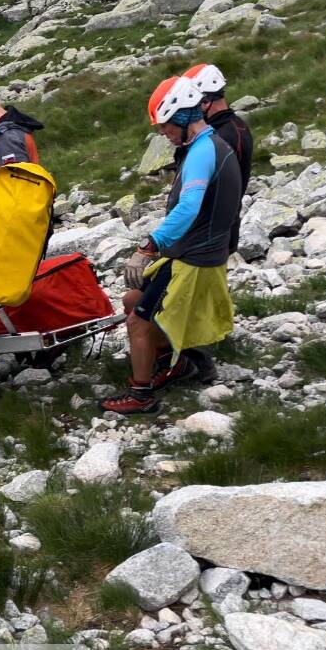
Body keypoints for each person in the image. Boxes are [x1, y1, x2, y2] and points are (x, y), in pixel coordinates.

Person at [101, 77, 241, 415]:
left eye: (165, 125)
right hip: (197, 256)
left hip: (192, 262)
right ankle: (177, 361)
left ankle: (141, 394)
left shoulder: (202, 152)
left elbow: (189, 206)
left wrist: (150, 246)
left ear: (181, 116)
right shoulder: (209, 146)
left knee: (138, 321)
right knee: (133, 298)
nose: (163, 133)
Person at [180, 63, 254, 255]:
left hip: (211, 234)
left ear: (205, 101)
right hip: (216, 231)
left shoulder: (223, 136)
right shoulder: (235, 128)